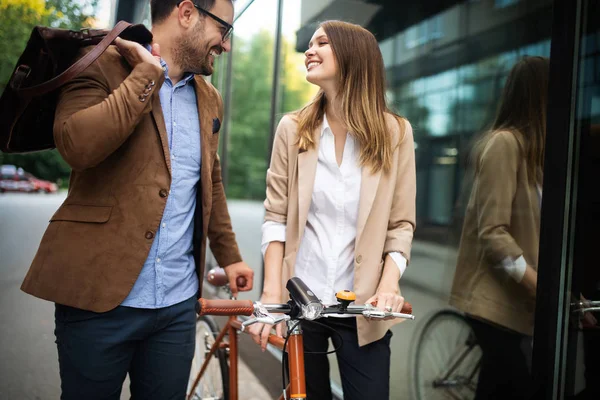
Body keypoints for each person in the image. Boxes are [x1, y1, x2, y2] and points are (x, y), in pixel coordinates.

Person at [19, 0, 254, 398]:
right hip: (99, 301)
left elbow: (208, 179)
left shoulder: (210, 98)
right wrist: (148, 74)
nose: (225, 45)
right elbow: (77, 146)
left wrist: (229, 255)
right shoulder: (99, 63)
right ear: (186, 13)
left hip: (176, 307)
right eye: (224, 30)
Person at [248, 20, 417, 400]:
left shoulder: (395, 134)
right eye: (309, 43)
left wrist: (389, 285)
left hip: (363, 310)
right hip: (300, 304)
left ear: (353, 56)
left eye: (321, 42)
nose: (310, 50)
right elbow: (275, 217)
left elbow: (401, 223)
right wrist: (271, 295)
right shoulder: (292, 129)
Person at [449, 56, 550, 400]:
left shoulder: (537, 156)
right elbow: (493, 232)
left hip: (517, 302)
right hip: (493, 303)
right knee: (520, 386)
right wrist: (542, 286)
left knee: (497, 388)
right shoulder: (505, 145)